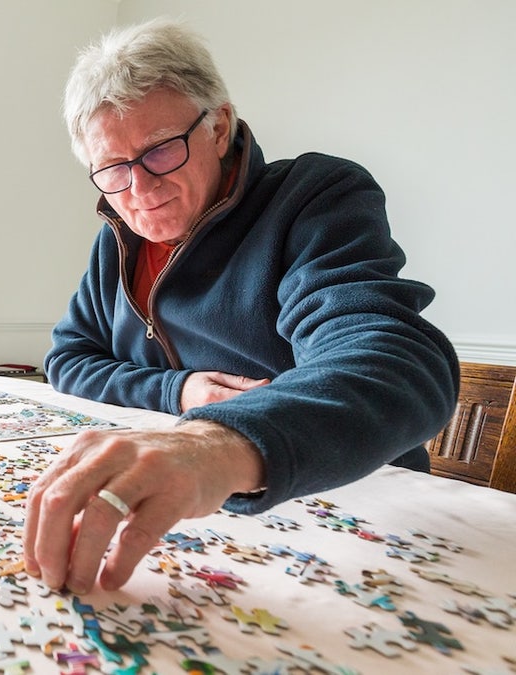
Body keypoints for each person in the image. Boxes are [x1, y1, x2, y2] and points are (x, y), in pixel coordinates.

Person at [23, 18, 458, 597]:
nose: (140, 189)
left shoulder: (315, 196)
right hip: (205, 523)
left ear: (219, 126)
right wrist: (179, 393)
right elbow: (69, 358)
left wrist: (215, 442)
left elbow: (396, 363)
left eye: (159, 153)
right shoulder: (117, 239)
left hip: (350, 503)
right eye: (113, 169)